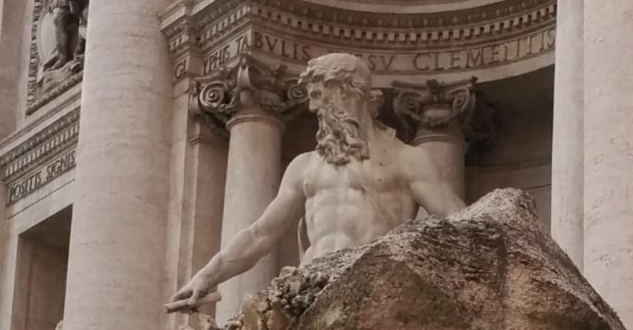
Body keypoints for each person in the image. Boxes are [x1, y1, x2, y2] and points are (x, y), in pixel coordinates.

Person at [170, 53, 464, 314]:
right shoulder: (305, 165)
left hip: (375, 292)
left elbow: (460, 224)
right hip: (310, 293)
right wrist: (207, 276)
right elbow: (260, 234)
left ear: (350, 93)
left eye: (320, 95)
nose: (313, 107)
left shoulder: (408, 159)